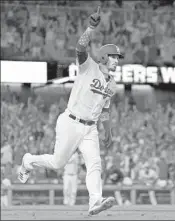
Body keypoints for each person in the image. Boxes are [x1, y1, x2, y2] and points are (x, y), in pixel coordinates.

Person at [18, 6, 124, 215]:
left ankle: (95, 201)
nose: (117, 60)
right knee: (58, 163)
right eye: (114, 56)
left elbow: (105, 110)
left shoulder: (112, 85)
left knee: (95, 163)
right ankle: (28, 160)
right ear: (104, 57)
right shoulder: (89, 66)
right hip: (71, 122)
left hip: (90, 129)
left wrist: (108, 131)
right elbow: (80, 48)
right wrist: (90, 28)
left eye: (118, 58)